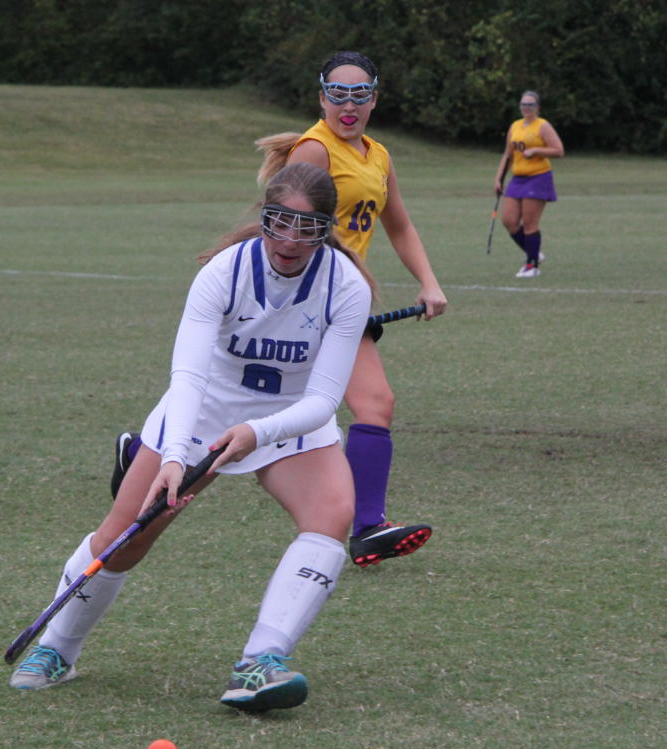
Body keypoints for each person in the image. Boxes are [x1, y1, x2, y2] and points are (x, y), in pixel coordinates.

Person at [11, 163, 375, 712]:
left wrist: (257, 432)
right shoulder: (223, 273)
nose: (291, 241)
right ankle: (57, 648)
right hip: (203, 413)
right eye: (280, 222)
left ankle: (261, 663)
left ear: (326, 230)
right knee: (126, 536)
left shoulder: (346, 286)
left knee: (332, 515)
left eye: (308, 228)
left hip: (290, 419)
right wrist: (176, 455)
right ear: (264, 217)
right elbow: (188, 377)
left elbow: (324, 401)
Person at [112, 50, 448, 570]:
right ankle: (146, 457)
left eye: (361, 94)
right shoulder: (315, 151)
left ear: (375, 99)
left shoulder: (377, 155)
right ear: (322, 98)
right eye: (338, 93)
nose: (349, 104)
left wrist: (428, 282)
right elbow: (281, 223)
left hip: (339, 304)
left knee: (376, 404)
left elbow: (398, 224)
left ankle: (366, 526)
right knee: (237, 416)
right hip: (302, 301)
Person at [493, 90, 565, 278]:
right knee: (509, 221)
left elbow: (558, 150)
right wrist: (499, 179)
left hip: (538, 177)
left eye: (530, 105)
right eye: (523, 104)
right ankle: (533, 252)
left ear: (537, 107)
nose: (526, 108)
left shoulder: (543, 126)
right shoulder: (515, 126)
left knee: (530, 223)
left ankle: (532, 265)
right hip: (517, 179)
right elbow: (508, 154)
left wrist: (536, 150)